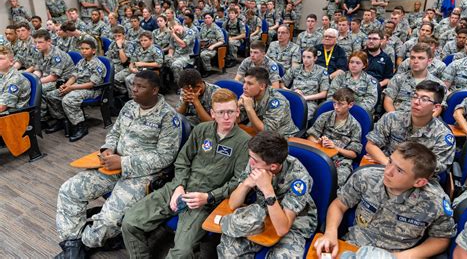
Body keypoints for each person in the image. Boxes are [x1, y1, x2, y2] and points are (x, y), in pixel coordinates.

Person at [54, 70, 181, 258]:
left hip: (141, 175)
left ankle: (85, 244)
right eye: (133, 85)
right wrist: (108, 148)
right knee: (69, 190)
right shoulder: (129, 106)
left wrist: (123, 162)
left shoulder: (168, 117)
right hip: (112, 165)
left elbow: (165, 157)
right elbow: (114, 132)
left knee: (110, 218)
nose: (134, 89)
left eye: (140, 86)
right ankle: (72, 246)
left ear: (154, 90)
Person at [122, 88, 250, 258]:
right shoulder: (201, 130)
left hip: (204, 200)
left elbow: (238, 182)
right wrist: (179, 186)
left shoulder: (244, 142)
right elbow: (182, 160)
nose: (226, 117)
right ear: (212, 113)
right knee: (129, 223)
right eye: (221, 112)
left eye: (230, 112)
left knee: (181, 253)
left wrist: (209, 197)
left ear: (237, 112)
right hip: (179, 187)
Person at [314, 142, 456, 259]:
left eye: (399, 170)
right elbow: (339, 205)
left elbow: (441, 238)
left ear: (419, 182)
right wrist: (330, 233)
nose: (387, 171)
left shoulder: (435, 202)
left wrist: (400, 257)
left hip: (397, 254)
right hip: (354, 247)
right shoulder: (366, 177)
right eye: (390, 162)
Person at [217, 130, 318, 258]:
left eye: (254, 160)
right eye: (250, 157)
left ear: (273, 167)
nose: (250, 163)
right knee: (228, 250)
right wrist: (247, 184)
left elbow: (283, 228)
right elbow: (233, 204)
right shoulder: (256, 163)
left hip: (293, 224)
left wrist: (267, 190)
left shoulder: (299, 178)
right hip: (263, 212)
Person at [366, 80, 455, 174]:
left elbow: (436, 167)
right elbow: (371, 145)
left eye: (424, 99)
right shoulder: (391, 118)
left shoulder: (443, 135)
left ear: (436, 107)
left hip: (420, 179)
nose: (416, 102)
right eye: (415, 96)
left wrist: (400, 168)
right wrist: (389, 163)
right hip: (386, 168)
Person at [45, 39, 106, 142]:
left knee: (68, 99)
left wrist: (72, 87)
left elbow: (91, 84)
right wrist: (66, 85)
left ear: (94, 51)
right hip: (77, 86)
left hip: (92, 90)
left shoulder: (98, 65)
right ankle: (62, 120)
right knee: (52, 95)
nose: (83, 51)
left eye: (87, 49)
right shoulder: (81, 62)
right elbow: (74, 76)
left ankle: (80, 126)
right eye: (82, 49)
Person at [307, 88, 362, 187]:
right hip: (321, 153)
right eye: (334, 103)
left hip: (341, 161)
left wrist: (335, 148)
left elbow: (353, 154)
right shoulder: (325, 116)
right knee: (306, 174)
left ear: (350, 105)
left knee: (336, 181)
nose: (336, 107)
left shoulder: (355, 126)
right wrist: (317, 142)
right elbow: (311, 136)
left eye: (341, 104)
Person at [383, 43, 445, 114]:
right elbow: (388, 101)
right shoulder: (398, 79)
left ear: (429, 61)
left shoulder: (437, 84)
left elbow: (438, 108)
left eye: (420, 58)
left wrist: (423, 122)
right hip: (397, 117)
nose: (415, 61)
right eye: (412, 58)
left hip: (424, 121)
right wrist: (397, 119)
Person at [239, 67, 298, 138]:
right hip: (257, 130)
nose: (244, 87)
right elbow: (237, 118)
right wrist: (236, 106)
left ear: (262, 86)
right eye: (244, 82)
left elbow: (266, 132)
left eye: (250, 84)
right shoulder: (250, 94)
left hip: (282, 138)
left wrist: (249, 108)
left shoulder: (277, 102)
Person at [31, 30, 75, 121]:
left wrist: (36, 82)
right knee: (32, 86)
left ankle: (45, 117)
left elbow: (54, 77)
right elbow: (38, 70)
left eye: (40, 42)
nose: (37, 45)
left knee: (39, 89)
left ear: (49, 41)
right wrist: (33, 79)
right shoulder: (39, 52)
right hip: (48, 78)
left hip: (63, 81)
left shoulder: (57, 55)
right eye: (35, 42)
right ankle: (42, 115)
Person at [281, 47, 329, 118]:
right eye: (303, 57)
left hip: (309, 102)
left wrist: (305, 98)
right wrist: (291, 92)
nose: (305, 60)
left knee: (303, 116)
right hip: (292, 98)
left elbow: (324, 94)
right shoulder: (295, 69)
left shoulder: (322, 71)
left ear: (315, 58)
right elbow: (281, 84)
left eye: (309, 57)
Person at [115, 31, 163, 97]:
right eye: (141, 40)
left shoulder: (155, 50)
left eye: (145, 40)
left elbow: (159, 64)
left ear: (151, 40)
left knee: (129, 79)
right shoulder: (138, 49)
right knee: (115, 78)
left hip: (148, 71)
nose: (143, 42)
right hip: (136, 69)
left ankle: (135, 98)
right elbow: (132, 62)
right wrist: (131, 68)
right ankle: (126, 93)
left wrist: (143, 64)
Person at [0, 45, 30, 114]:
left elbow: (1, 107)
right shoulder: (2, 75)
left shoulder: (15, 80)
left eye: (0, 59)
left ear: (11, 62)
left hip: (13, 118)